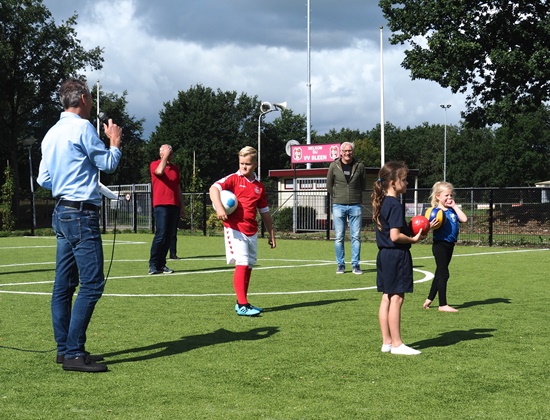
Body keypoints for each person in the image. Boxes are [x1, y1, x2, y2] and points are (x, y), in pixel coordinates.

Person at [37, 78, 122, 372]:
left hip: (61, 211)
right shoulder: (83, 128)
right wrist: (114, 142)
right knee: (92, 283)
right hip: (81, 214)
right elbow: (108, 164)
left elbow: (44, 179)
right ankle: (74, 352)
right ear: (84, 98)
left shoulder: (50, 134)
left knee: (63, 286)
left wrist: (66, 180)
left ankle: (65, 349)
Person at [209, 146, 276, 316]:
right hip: (235, 228)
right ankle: (242, 304)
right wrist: (219, 208)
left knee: (249, 266)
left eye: (247, 164)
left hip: (251, 230)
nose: (244, 167)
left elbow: (265, 212)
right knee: (242, 263)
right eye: (241, 163)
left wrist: (271, 233)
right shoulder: (233, 179)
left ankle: (242, 302)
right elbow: (213, 188)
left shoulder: (259, 186)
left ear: (256, 164)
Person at [371, 161, 429, 356]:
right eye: (404, 180)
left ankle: (386, 342)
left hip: (384, 255)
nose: (407, 183)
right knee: (396, 298)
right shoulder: (395, 205)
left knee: (386, 297)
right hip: (396, 255)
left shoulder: (382, 202)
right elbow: (395, 236)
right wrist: (413, 239)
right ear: (393, 183)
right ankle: (397, 344)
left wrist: (415, 229)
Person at [423, 181, 468, 312]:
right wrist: (430, 226)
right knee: (444, 273)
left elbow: (464, 219)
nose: (449, 198)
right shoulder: (435, 211)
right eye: (446, 195)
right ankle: (443, 305)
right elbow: (426, 228)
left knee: (439, 272)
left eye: (451, 195)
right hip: (440, 245)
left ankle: (429, 299)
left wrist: (454, 206)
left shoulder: (452, 210)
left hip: (449, 245)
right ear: (437, 196)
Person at [326, 141, 367, 275]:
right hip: (338, 205)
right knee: (339, 237)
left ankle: (356, 265)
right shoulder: (333, 166)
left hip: (356, 204)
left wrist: (356, 195)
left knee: (356, 237)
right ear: (341, 152)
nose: (347, 153)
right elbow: (329, 185)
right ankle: (340, 265)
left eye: (350, 151)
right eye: (345, 151)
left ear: (353, 152)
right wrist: (337, 196)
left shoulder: (360, 166)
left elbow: (363, 184)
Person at [149, 144, 184, 274]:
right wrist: (165, 157)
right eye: (167, 152)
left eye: (171, 152)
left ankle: (162, 264)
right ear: (161, 154)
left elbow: (178, 187)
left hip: (173, 205)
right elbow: (159, 172)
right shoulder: (154, 164)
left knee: (169, 236)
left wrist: (182, 205)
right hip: (161, 205)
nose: (170, 155)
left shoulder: (175, 168)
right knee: (161, 234)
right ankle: (153, 264)